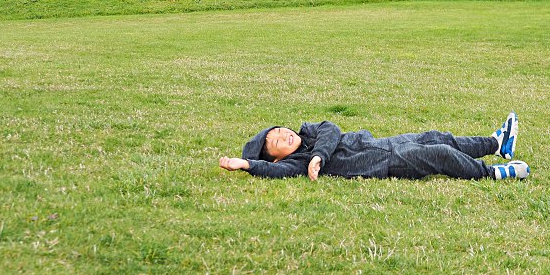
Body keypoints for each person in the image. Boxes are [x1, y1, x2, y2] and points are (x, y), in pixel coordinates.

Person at [219, 112, 529, 180]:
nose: (284, 135)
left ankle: (496, 143)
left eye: (279, 130)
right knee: (440, 154)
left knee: (439, 137)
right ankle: (493, 173)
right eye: (276, 143)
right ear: (275, 159)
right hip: (383, 163)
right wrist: (246, 165)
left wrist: (319, 155)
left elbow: (332, 128)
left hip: (384, 144)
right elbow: (274, 173)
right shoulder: (295, 164)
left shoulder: (312, 134)